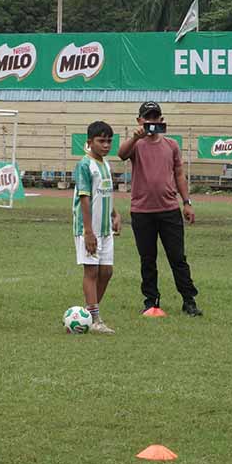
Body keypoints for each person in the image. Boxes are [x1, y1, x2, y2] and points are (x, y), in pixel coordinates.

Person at [116, 101, 201, 318]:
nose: (151, 122)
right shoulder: (136, 144)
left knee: (177, 257)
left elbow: (179, 173)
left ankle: (188, 300)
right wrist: (136, 136)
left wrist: (187, 202)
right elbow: (121, 154)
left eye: (155, 118)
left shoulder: (171, 145)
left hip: (169, 210)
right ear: (139, 121)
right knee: (148, 259)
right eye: (147, 118)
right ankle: (151, 301)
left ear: (162, 121)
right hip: (142, 211)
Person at [72, 121, 119, 335]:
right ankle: (96, 319)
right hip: (88, 229)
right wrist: (88, 232)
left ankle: (87, 314)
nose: (106, 145)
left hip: (106, 228)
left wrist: (115, 213)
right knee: (91, 271)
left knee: (107, 271)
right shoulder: (84, 164)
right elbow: (85, 199)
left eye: (109, 141)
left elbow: (105, 193)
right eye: (101, 141)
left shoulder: (106, 164)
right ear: (90, 142)